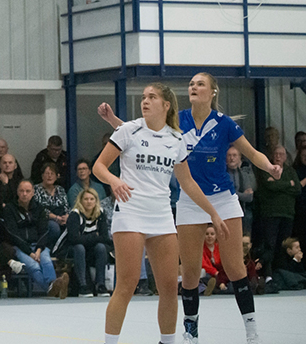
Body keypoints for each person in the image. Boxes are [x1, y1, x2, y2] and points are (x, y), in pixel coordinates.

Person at [98, 72, 284, 344]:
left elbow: (249, 152)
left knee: (227, 270)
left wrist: (269, 167)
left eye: (200, 84)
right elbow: (140, 134)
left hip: (212, 200)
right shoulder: (171, 122)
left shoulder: (215, 126)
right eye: (191, 84)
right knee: (172, 276)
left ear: (213, 92)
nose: (194, 87)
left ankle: (249, 330)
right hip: (161, 206)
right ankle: (188, 330)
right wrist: (115, 126)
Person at [93, 83, 230, 344]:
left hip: (162, 216)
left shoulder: (176, 139)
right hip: (131, 213)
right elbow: (99, 166)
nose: (145, 101)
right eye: (143, 97)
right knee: (127, 283)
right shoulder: (128, 130)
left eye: (151, 97)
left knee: (169, 287)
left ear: (166, 105)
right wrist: (114, 181)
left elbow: (188, 183)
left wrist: (213, 213)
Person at [3, 179, 67, 297]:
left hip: (39, 245)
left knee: (46, 261)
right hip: (20, 246)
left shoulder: (40, 208)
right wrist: (29, 252)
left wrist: (38, 250)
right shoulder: (9, 209)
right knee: (33, 266)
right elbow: (13, 234)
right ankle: (53, 288)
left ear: (33, 193)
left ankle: (53, 288)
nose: (24, 194)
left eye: (28, 191)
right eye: (22, 191)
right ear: (17, 192)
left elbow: (44, 231)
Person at [253, 144, 299, 293]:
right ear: (272, 156)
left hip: (287, 213)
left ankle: (283, 275)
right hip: (270, 213)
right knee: (269, 245)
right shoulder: (266, 168)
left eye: (281, 154)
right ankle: (268, 276)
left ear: (286, 157)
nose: (278, 156)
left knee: (284, 246)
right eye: (276, 154)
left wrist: (279, 184)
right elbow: (269, 187)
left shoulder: (290, 171)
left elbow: (297, 188)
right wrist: (288, 185)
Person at [66, 188, 112, 297]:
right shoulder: (75, 215)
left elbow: (105, 237)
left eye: (92, 199)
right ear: (81, 201)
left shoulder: (100, 213)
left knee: (101, 247)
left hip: (91, 249)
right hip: (71, 249)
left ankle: (100, 285)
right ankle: (83, 285)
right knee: (79, 247)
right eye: (86, 199)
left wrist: (86, 238)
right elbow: (73, 239)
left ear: (96, 201)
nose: (89, 201)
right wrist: (94, 237)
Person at [34, 162, 69, 245]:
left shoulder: (60, 189)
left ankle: (64, 250)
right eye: (47, 173)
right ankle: (50, 249)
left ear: (57, 176)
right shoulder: (36, 189)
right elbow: (39, 209)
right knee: (54, 227)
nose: (49, 176)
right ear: (42, 176)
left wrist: (66, 216)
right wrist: (56, 218)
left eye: (52, 174)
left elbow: (66, 206)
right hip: (46, 218)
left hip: (61, 217)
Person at [226, 146, 256, 237]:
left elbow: (250, 197)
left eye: (234, 155)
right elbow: (227, 194)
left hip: (242, 210)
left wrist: (235, 194)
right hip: (226, 211)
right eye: (229, 155)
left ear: (239, 158)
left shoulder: (243, 173)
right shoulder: (222, 174)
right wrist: (243, 194)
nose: (232, 158)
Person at [202, 225, 227, 294]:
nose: (209, 236)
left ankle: (216, 288)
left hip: (219, 273)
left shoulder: (220, 247)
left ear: (216, 236)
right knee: (205, 276)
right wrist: (215, 272)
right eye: (207, 234)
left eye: (212, 234)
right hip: (208, 273)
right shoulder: (200, 249)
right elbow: (203, 264)